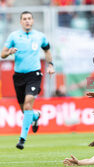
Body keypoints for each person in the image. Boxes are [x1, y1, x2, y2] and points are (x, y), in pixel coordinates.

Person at [1, 11, 55, 150]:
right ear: (20, 21)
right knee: (25, 110)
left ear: (32, 21)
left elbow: (47, 50)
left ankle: (22, 139)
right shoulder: (14, 36)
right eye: (24, 19)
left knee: (27, 105)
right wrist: (9, 52)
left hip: (34, 74)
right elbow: (3, 53)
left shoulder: (40, 36)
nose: (27, 21)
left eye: (29, 18)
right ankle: (36, 116)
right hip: (18, 76)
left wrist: (50, 65)